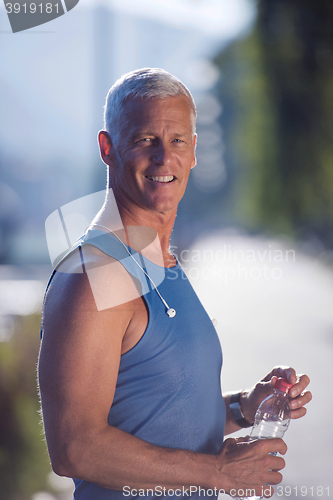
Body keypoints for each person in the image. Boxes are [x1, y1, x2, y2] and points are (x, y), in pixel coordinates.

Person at [38, 68, 311, 500]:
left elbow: (156, 414)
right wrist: (218, 472)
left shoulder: (162, 262)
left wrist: (243, 407)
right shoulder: (97, 275)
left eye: (177, 140)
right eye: (146, 140)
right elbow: (76, 448)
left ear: (195, 150)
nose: (165, 158)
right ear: (108, 149)